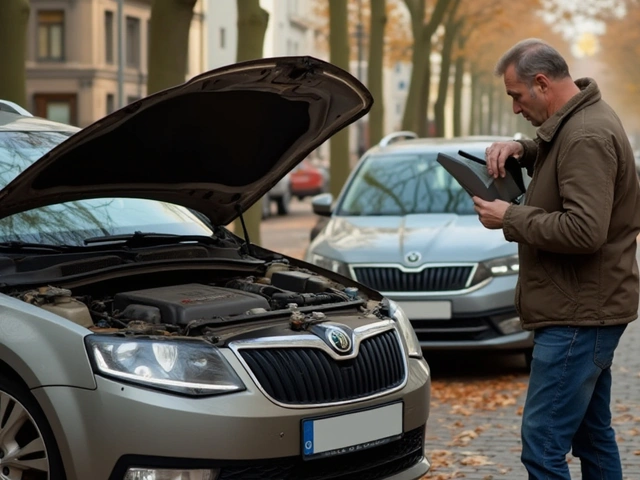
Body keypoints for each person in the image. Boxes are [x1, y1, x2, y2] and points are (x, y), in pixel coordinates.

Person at [473, 38, 640, 479]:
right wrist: (522, 149)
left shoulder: (585, 134)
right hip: (586, 309)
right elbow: (560, 153)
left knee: (543, 445)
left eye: (517, 96)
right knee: (591, 436)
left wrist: (511, 216)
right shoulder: (579, 122)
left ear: (542, 83)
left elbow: (584, 231)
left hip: (578, 316)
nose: (515, 108)